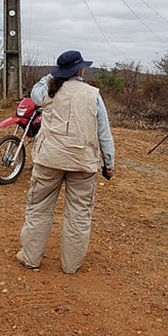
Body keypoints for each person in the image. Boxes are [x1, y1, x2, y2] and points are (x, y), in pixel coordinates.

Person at [17, 50, 115, 274]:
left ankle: (31, 258)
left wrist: (50, 76)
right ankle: (71, 265)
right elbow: (104, 134)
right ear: (81, 70)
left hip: (48, 160)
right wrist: (108, 164)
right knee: (79, 214)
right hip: (83, 162)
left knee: (38, 209)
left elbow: (35, 93)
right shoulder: (94, 95)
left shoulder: (48, 91)